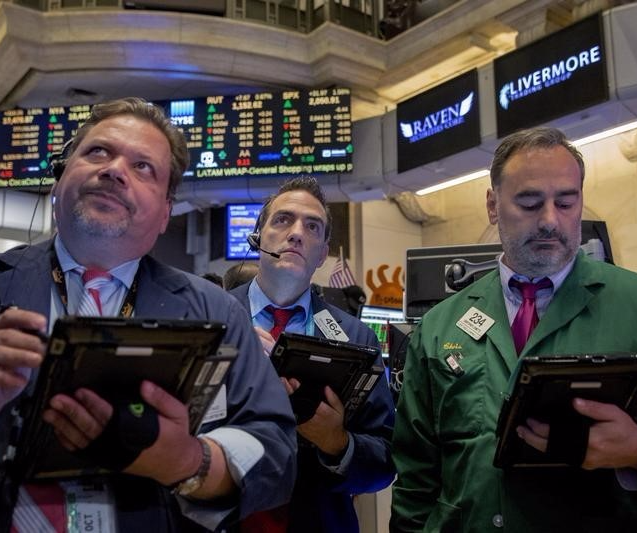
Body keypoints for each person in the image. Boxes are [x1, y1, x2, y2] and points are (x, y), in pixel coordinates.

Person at [0, 97, 297, 532]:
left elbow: (276, 454)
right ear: (60, 178)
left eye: (144, 168)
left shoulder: (216, 313)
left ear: (164, 213)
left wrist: (183, 460)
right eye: (98, 151)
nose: (115, 170)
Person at [391, 126, 637, 532]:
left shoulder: (630, 304)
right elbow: (416, 478)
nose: (549, 220)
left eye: (566, 201)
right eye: (528, 202)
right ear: (492, 205)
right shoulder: (439, 326)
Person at [229, 176, 396, 532]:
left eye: (312, 226)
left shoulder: (355, 337)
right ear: (259, 238)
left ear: (322, 254)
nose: (296, 233)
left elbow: (385, 462)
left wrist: (336, 442)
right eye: (283, 219)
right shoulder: (214, 316)